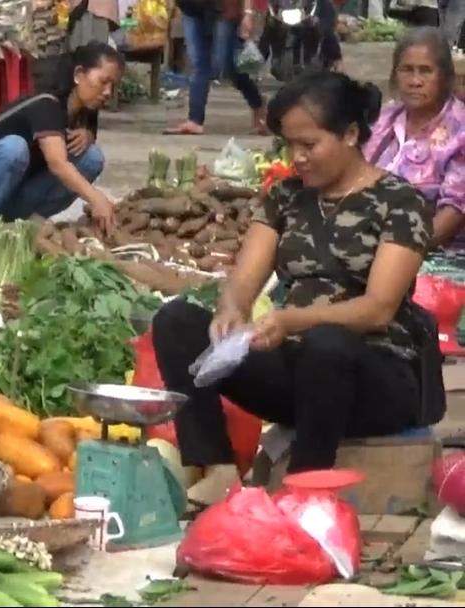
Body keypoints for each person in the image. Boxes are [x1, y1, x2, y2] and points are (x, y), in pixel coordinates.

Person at [153, 71, 441, 507]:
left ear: (349, 134)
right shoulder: (287, 196)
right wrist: (232, 308)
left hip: (378, 378)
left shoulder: (401, 203)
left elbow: (379, 309)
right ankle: (218, 470)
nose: (298, 157)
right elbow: (245, 278)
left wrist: (292, 320)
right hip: (301, 373)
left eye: (310, 145)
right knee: (177, 321)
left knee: (327, 344)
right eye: (290, 145)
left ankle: (303, 490)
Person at [0, 41, 121, 232]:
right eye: (103, 82)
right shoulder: (46, 104)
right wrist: (97, 199)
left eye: (113, 85)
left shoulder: (85, 112)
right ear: (79, 75)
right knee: (13, 148)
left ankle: (32, 226)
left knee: (92, 157)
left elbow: (80, 154)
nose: (108, 92)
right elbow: (58, 164)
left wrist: (88, 135)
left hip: (14, 191)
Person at [365, 27, 464, 250]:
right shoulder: (386, 118)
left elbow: (454, 212)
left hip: (432, 252)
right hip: (369, 242)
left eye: (426, 71)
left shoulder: (460, 131)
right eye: (407, 70)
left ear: (444, 76)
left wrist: (395, 254)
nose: (415, 81)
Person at [164, 0, 266, 135]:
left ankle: (258, 104)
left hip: (224, 9)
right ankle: (195, 120)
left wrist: (248, 13)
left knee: (226, 65)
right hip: (192, 8)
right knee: (198, 63)